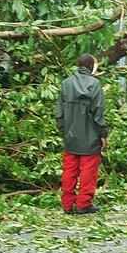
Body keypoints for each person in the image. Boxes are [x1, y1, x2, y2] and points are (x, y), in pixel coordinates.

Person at [55, 53, 109, 214]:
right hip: (91, 136)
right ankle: (83, 203)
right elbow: (98, 112)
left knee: (69, 170)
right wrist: (103, 134)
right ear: (91, 66)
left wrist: (65, 130)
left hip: (71, 136)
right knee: (88, 171)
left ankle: (67, 204)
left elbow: (59, 113)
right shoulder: (95, 84)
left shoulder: (66, 83)